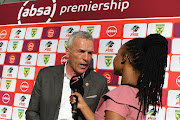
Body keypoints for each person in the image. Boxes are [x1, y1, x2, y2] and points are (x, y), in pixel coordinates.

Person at [70, 33, 168, 120]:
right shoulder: (138, 95)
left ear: (124, 58)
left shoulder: (119, 97)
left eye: (117, 54)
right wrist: (82, 106)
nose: (115, 58)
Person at [25, 31, 109, 120]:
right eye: (81, 51)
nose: (86, 58)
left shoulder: (100, 82)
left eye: (90, 53)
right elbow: (32, 112)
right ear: (68, 52)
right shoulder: (46, 75)